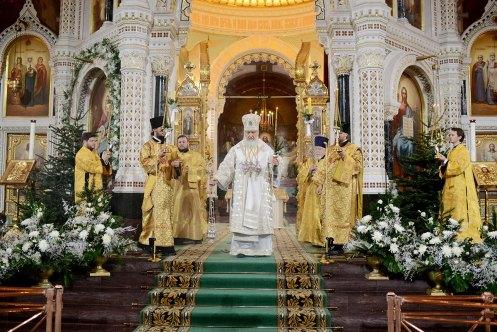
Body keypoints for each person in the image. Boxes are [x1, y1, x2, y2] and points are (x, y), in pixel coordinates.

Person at [215, 113, 279, 256]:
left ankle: (262, 249)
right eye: (248, 132)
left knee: (260, 218)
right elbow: (227, 166)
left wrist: (273, 164)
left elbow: (273, 166)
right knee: (243, 218)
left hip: (259, 190)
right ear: (244, 132)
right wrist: (218, 177)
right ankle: (241, 248)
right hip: (242, 191)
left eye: (253, 132)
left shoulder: (266, 149)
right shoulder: (236, 149)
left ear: (257, 132)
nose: (251, 135)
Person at [316, 131, 363, 249]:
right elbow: (323, 165)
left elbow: (358, 167)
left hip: (343, 189)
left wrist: (344, 156)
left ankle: (340, 244)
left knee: (341, 215)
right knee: (327, 214)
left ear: (346, 135)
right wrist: (319, 183)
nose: (338, 135)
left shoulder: (354, 149)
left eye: (340, 133)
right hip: (329, 188)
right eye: (336, 133)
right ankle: (329, 239)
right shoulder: (331, 148)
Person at [138, 116, 178, 255]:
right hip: (154, 183)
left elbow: (176, 163)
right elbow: (145, 163)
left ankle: (166, 241)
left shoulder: (171, 147)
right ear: (154, 129)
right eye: (161, 127)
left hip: (167, 184)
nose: (163, 130)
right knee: (153, 211)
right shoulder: (147, 146)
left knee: (167, 212)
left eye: (164, 128)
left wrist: (176, 165)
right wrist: (157, 157)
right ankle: (149, 241)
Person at [436, 128, 482, 242]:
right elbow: (446, 169)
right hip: (450, 185)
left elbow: (459, 167)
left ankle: (461, 237)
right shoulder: (451, 151)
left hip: (460, 187)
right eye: (449, 135)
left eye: (452, 135)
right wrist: (443, 162)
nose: (449, 137)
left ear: (459, 137)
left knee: (458, 210)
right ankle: (449, 235)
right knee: (449, 209)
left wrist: (445, 161)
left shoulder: (463, 150)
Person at [171, 135, 207, 242]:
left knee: (194, 209)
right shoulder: (174, 156)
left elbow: (202, 170)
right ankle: (178, 235)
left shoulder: (196, 156)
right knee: (178, 208)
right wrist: (176, 167)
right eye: (179, 142)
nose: (181, 144)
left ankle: (195, 235)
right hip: (178, 187)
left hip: (192, 188)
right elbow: (170, 173)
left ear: (188, 143)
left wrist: (188, 169)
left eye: (183, 142)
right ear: (177, 144)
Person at [297, 136, 328, 247]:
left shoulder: (328, 161)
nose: (318, 151)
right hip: (310, 192)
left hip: (322, 192)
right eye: (316, 149)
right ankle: (312, 238)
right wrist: (309, 171)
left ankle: (321, 239)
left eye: (320, 149)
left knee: (318, 215)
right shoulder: (311, 160)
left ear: (325, 149)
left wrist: (322, 184)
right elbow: (301, 175)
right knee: (311, 215)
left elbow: (330, 176)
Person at [74, 132, 112, 203]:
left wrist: (106, 161)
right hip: (85, 187)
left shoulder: (94, 153)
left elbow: (103, 171)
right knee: (85, 211)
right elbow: (92, 168)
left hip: (96, 188)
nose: (94, 143)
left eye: (95, 140)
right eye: (92, 141)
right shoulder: (81, 154)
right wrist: (102, 160)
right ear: (85, 141)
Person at [391, 86, 414, 177]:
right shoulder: (396, 106)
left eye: (405, 93)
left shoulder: (409, 108)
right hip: (399, 131)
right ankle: (398, 171)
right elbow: (393, 119)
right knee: (396, 143)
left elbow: (410, 122)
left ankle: (407, 171)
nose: (404, 95)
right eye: (402, 93)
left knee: (410, 146)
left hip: (406, 132)